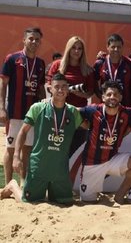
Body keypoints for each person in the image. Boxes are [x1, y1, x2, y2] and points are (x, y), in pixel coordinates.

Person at [0, 73, 83, 204]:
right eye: (57, 87)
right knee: (26, 202)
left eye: (63, 87)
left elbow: (89, 126)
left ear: (68, 89)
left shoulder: (73, 112)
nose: (60, 90)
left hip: (60, 169)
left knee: (65, 203)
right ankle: (12, 186)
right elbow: (22, 132)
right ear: (50, 89)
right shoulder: (38, 108)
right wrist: (16, 156)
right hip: (39, 167)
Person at [79, 80, 131, 204]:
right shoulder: (93, 110)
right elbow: (72, 110)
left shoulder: (128, 113)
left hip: (112, 159)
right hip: (92, 163)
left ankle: (120, 195)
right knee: (88, 202)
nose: (112, 97)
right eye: (109, 94)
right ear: (103, 97)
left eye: (115, 94)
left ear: (120, 97)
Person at [0, 27, 46, 185]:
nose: (34, 42)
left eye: (37, 39)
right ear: (24, 40)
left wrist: (43, 109)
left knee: (27, 149)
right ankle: (7, 184)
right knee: (11, 149)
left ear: (40, 42)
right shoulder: (12, 59)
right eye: (31, 38)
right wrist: (1, 107)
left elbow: (40, 89)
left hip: (32, 115)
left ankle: (22, 183)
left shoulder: (40, 63)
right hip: (15, 113)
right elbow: (3, 83)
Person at [47, 36, 95, 156]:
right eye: (73, 47)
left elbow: (90, 92)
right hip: (58, 111)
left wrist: (80, 94)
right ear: (68, 48)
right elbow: (49, 86)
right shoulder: (57, 65)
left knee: (75, 149)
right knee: (56, 147)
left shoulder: (87, 69)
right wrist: (62, 90)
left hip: (78, 113)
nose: (76, 51)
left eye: (80, 48)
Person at [94, 34, 131, 108]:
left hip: (125, 107)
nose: (116, 49)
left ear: (122, 47)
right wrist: (101, 96)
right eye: (113, 47)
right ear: (107, 47)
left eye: (119, 47)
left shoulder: (130, 63)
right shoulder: (100, 63)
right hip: (106, 107)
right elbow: (94, 82)